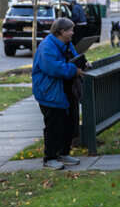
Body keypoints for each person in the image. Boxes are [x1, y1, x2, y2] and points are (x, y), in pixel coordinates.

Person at [32, 17, 88, 170]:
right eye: (70, 30)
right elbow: (54, 68)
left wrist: (83, 64)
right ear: (61, 31)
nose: (72, 33)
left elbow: (75, 59)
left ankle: (63, 153)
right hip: (50, 92)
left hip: (66, 89)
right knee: (54, 126)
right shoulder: (47, 47)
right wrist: (74, 70)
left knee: (68, 123)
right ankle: (49, 158)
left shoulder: (67, 44)